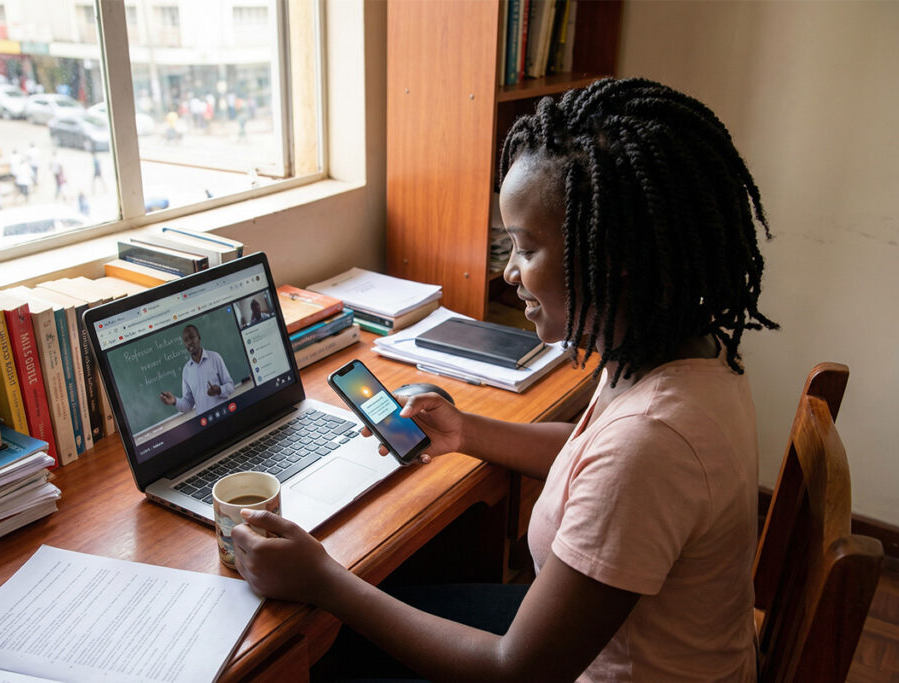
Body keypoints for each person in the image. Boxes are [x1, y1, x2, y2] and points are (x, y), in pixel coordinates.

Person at [230, 78, 779, 682]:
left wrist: (325, 579)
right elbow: (587, 459)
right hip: (617, 648)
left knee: (320, 656)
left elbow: (515, 671)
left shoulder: (652, 443)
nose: (508, 272)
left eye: (524, 248)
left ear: (609, 259)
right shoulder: (674, 351)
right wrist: (465, 430)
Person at [159, 324, 235, 416]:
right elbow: (188, 404)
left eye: (192, 337)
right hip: (205, 422)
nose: (189, 342)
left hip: (224, 414)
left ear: (199, 337)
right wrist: (174, 401)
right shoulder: (186, 370)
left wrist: (219, 390)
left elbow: (230, 386)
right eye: (186, 340)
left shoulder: (215, 357)